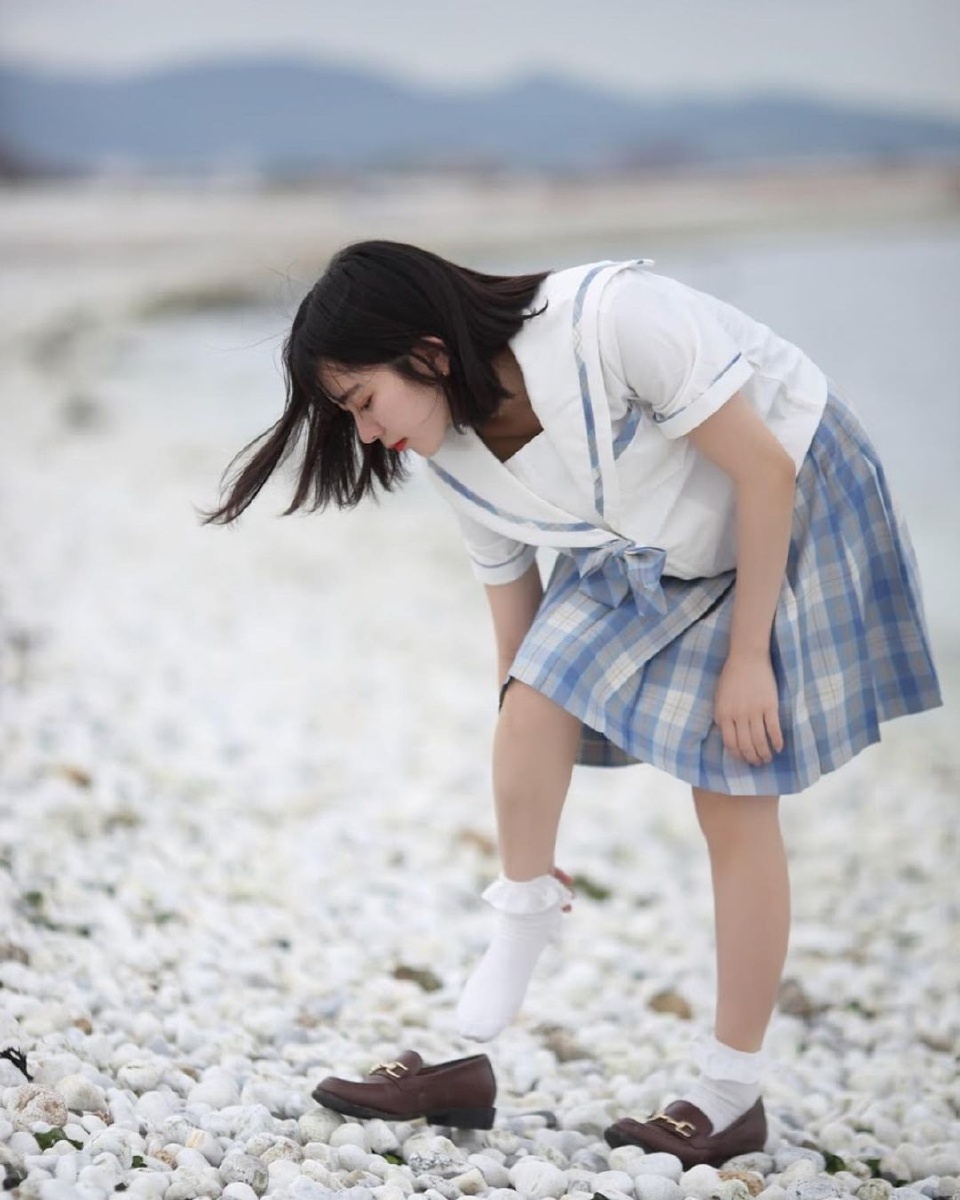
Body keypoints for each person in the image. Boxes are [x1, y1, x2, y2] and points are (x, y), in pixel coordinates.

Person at [204, 240, 941, 1166]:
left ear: (427, 353)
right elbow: (517, 650)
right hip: (649, 547)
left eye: (362, 403)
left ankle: (728, 1093)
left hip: (782, 506)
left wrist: (747, 658)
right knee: (532, 691)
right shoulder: (455, 456)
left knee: (735, 795)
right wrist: (527, 742)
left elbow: (765, 474)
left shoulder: (613, 322)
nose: (365, 433)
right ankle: (523, 918)